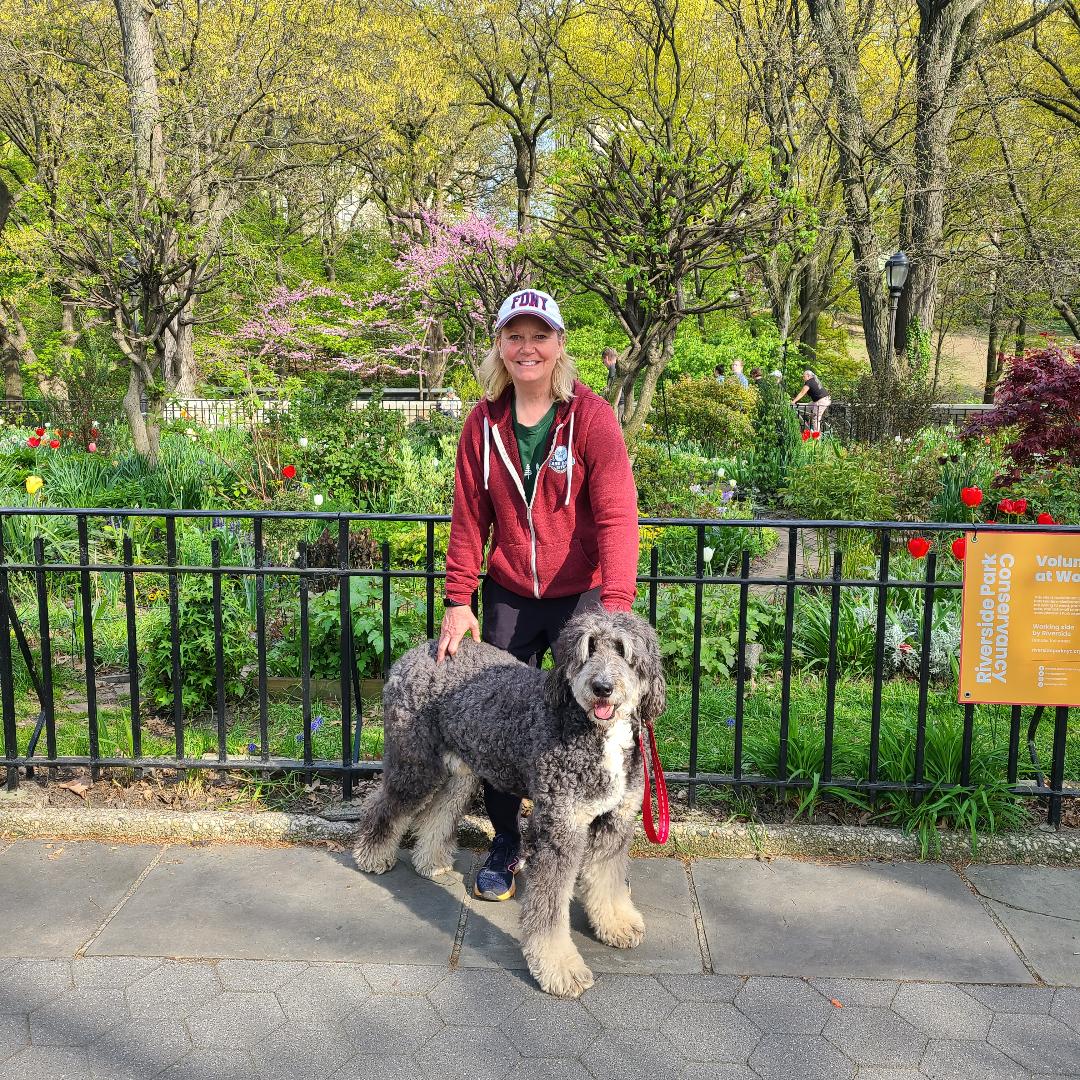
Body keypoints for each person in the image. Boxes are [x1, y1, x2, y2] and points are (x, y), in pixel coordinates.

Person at [437, 287, 640, 902]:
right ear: (500, 346)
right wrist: (457, 598)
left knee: (580, 725)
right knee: (499, 724)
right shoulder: (483, 423)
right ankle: (506, 842)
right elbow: (470, 517)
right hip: (507, 596)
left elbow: (616, 516)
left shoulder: (591, 417)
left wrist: (615, 606)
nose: (528, 348)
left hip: (580, 601)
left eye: (540, 336)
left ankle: (578, 842)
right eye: (515, 336)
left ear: (558, 346)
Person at [792, 369, 831, 433]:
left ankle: (816, 437)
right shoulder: (814, 380)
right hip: (821, 400)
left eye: (804, 376)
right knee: (806, 407)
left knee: (816, 419)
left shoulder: (809, 382)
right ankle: (808, 425)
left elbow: (802, 393)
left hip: (821, 401)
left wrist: (793, 401)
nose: (803, 378)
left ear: (808, 376)